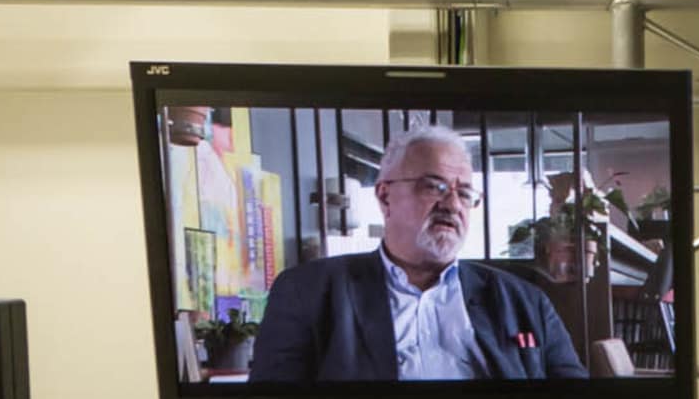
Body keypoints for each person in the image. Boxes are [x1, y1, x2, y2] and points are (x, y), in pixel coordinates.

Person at [246, 127, 587, 384]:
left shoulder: (525, 302)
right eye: (433, 186)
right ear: (384, 196)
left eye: (464, 193)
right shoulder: (307, 292)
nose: (452, 205)